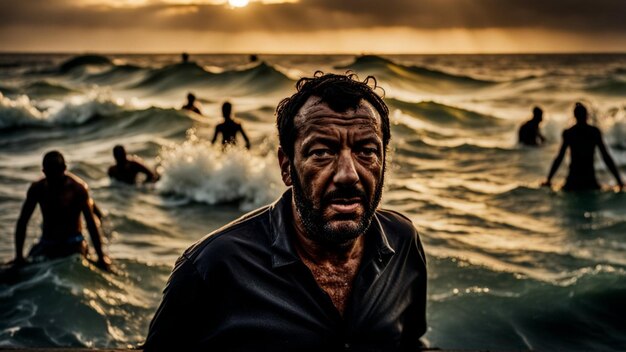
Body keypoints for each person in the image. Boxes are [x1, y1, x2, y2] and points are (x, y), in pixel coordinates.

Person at [144, 72, 428, 350]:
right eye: (321, 152)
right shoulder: (211, 267)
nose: (348, 174)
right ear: (286, 167)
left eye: (366, 151)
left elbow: (410, 341)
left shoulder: (403, 243)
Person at [13, 151, 111, 270]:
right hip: (47, 242)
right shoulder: (37, 188)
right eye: (50, 175)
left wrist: (101, 257)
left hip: (74, 243)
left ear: (64, 169)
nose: (54, 181)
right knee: (16, 273)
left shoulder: (78, 189)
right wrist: (19, 257)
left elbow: (91, 223)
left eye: (57, 175)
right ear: (44, 172)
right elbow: (23, 221)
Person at [543, 102, 623, 191]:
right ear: (587, 115)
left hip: (573, 180)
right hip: (589, 180)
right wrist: (619, 181)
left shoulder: (569, 133)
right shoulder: (594, 132)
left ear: (575, 116)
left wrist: (548, 180)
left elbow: (559, 157)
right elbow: (606, 156)